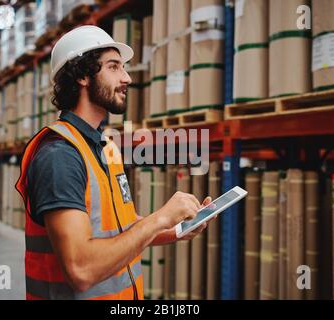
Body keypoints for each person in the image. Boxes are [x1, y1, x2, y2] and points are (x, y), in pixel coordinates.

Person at [16, 25, 214, 300]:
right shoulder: (59, 156)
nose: (127, 78)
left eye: (123, 67)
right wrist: (160, 218)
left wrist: (176, 230)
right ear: (83, 75)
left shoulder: (105, 147)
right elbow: (81, 270)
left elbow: (122, 227)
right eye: (114, 67)